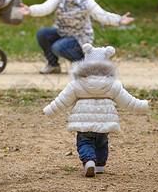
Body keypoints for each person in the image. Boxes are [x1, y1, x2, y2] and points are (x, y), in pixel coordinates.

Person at [43, 44, 149, 177]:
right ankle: (100, 165)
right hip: (105, 121)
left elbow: (63, 100)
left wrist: (49, 110)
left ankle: (89, 162)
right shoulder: (113, 84)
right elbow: (128, 101)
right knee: (102, 143)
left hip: (84, 122)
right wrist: (143, 106)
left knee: (85, 142)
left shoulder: (77, 83)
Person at [18, 0, 134, 74]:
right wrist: (31, 10)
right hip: (62, 33)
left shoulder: (87, 0)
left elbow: (101, 14)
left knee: (57, 47)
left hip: (80, 37)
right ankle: (53, 65)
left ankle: (85, 65)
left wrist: (118, 19)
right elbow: (45, 8)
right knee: (42, 33)